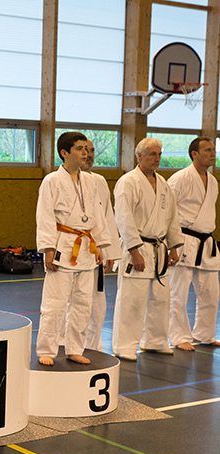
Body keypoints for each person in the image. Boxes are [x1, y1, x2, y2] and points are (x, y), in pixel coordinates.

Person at [36, 132, 110, 366]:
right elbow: (45, 215)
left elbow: (97, 214)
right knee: (55, 303)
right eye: (79, 149)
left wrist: (100, 245)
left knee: (83, 304)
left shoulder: (91, 181)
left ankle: (75, 348)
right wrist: (48, 248)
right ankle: (46, 349)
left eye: (86, 149)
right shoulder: (52, 180)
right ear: (64, 153)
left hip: (87, 247)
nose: (85, 153)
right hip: (62, 244)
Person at [111, 138, 183, 361]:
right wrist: (134, 251)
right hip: (138, 247)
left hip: (159, 248)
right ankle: (124, 346)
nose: (157, 158)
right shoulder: (128, 182)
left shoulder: (163, 183)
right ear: (139, 156)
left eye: (159, 154)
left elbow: (171, 217)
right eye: (152, 154)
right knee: (132, 299)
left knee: (162, 299)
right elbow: (123, 219)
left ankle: (155, 341)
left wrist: (173, 246)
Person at [59, 139, 120, 351]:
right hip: (70, 249)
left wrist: (110, 251)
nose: (89, 154)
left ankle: (93, 346)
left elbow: (107, 216)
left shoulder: (98, 181)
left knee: (95, 303)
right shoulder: (58, 180)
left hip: (95, 250)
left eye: (91, 150)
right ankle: (63, 344)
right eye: (83, 149)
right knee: (65, 300)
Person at [168, 136, 220, 351]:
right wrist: (171, 243)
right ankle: (179, 336)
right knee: (177, 293)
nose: (213, 153)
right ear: (194, 154)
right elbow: (167, 211)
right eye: (208, 150)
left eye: (213, 149)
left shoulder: (213, 180)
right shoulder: (179, 178)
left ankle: (204, 334)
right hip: (183, 239)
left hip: (206, 242)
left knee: (211, 292)